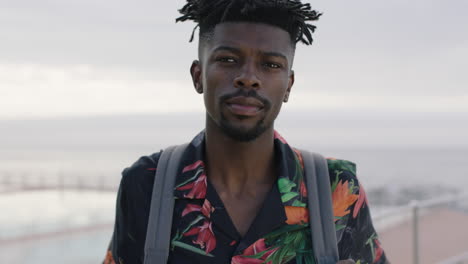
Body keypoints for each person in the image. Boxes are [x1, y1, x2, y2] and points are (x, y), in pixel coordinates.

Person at [104, 0, 389, 263]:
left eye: (271, 65)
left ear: (288, 85)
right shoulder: (146, 184)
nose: (249, 79)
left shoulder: (336, 188)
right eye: (228, 59)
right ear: (198, 75)